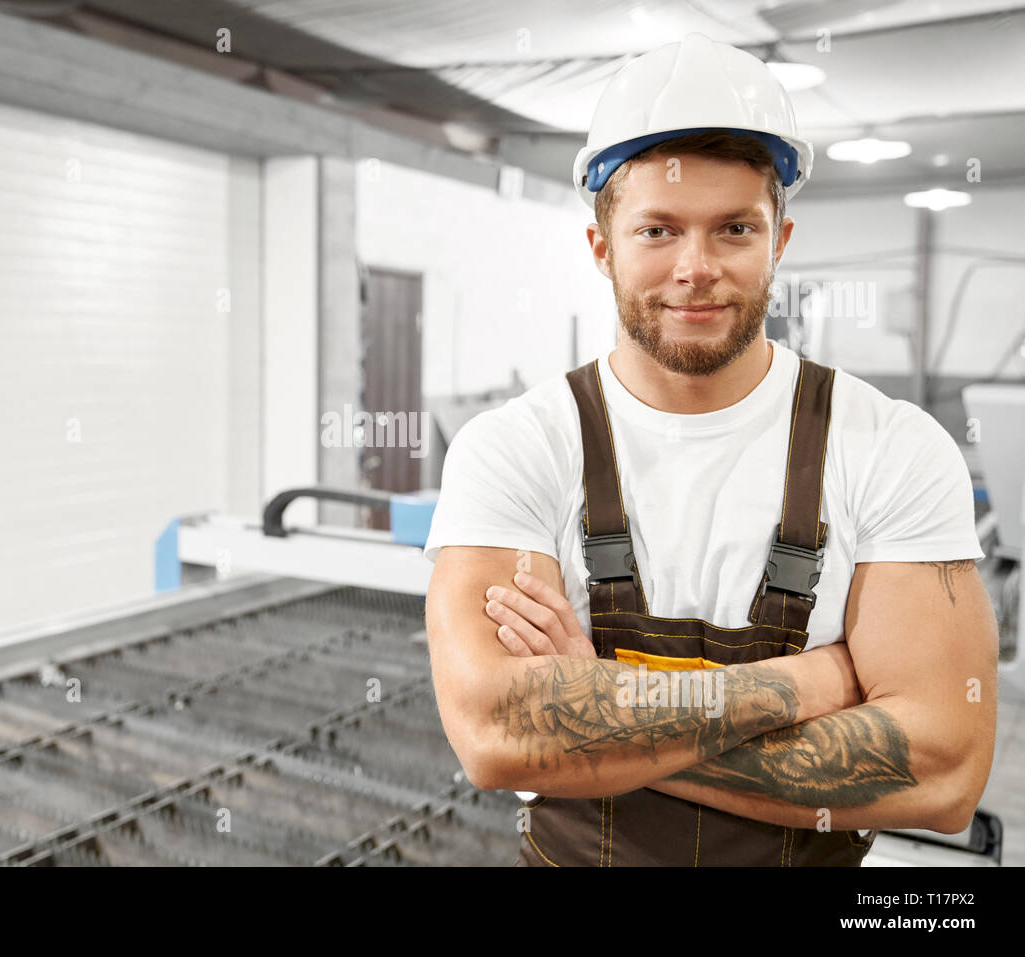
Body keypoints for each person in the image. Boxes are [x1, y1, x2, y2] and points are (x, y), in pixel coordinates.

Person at [421, 33, 998, 866]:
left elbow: (943, 770)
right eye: (658, 230)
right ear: (601, 248)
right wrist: (812, 684)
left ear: (780, 241)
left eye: (733, 228)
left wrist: (591, 725)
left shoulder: (892, 448)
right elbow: (493, 731)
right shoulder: (514, 449)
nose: (696, 267)